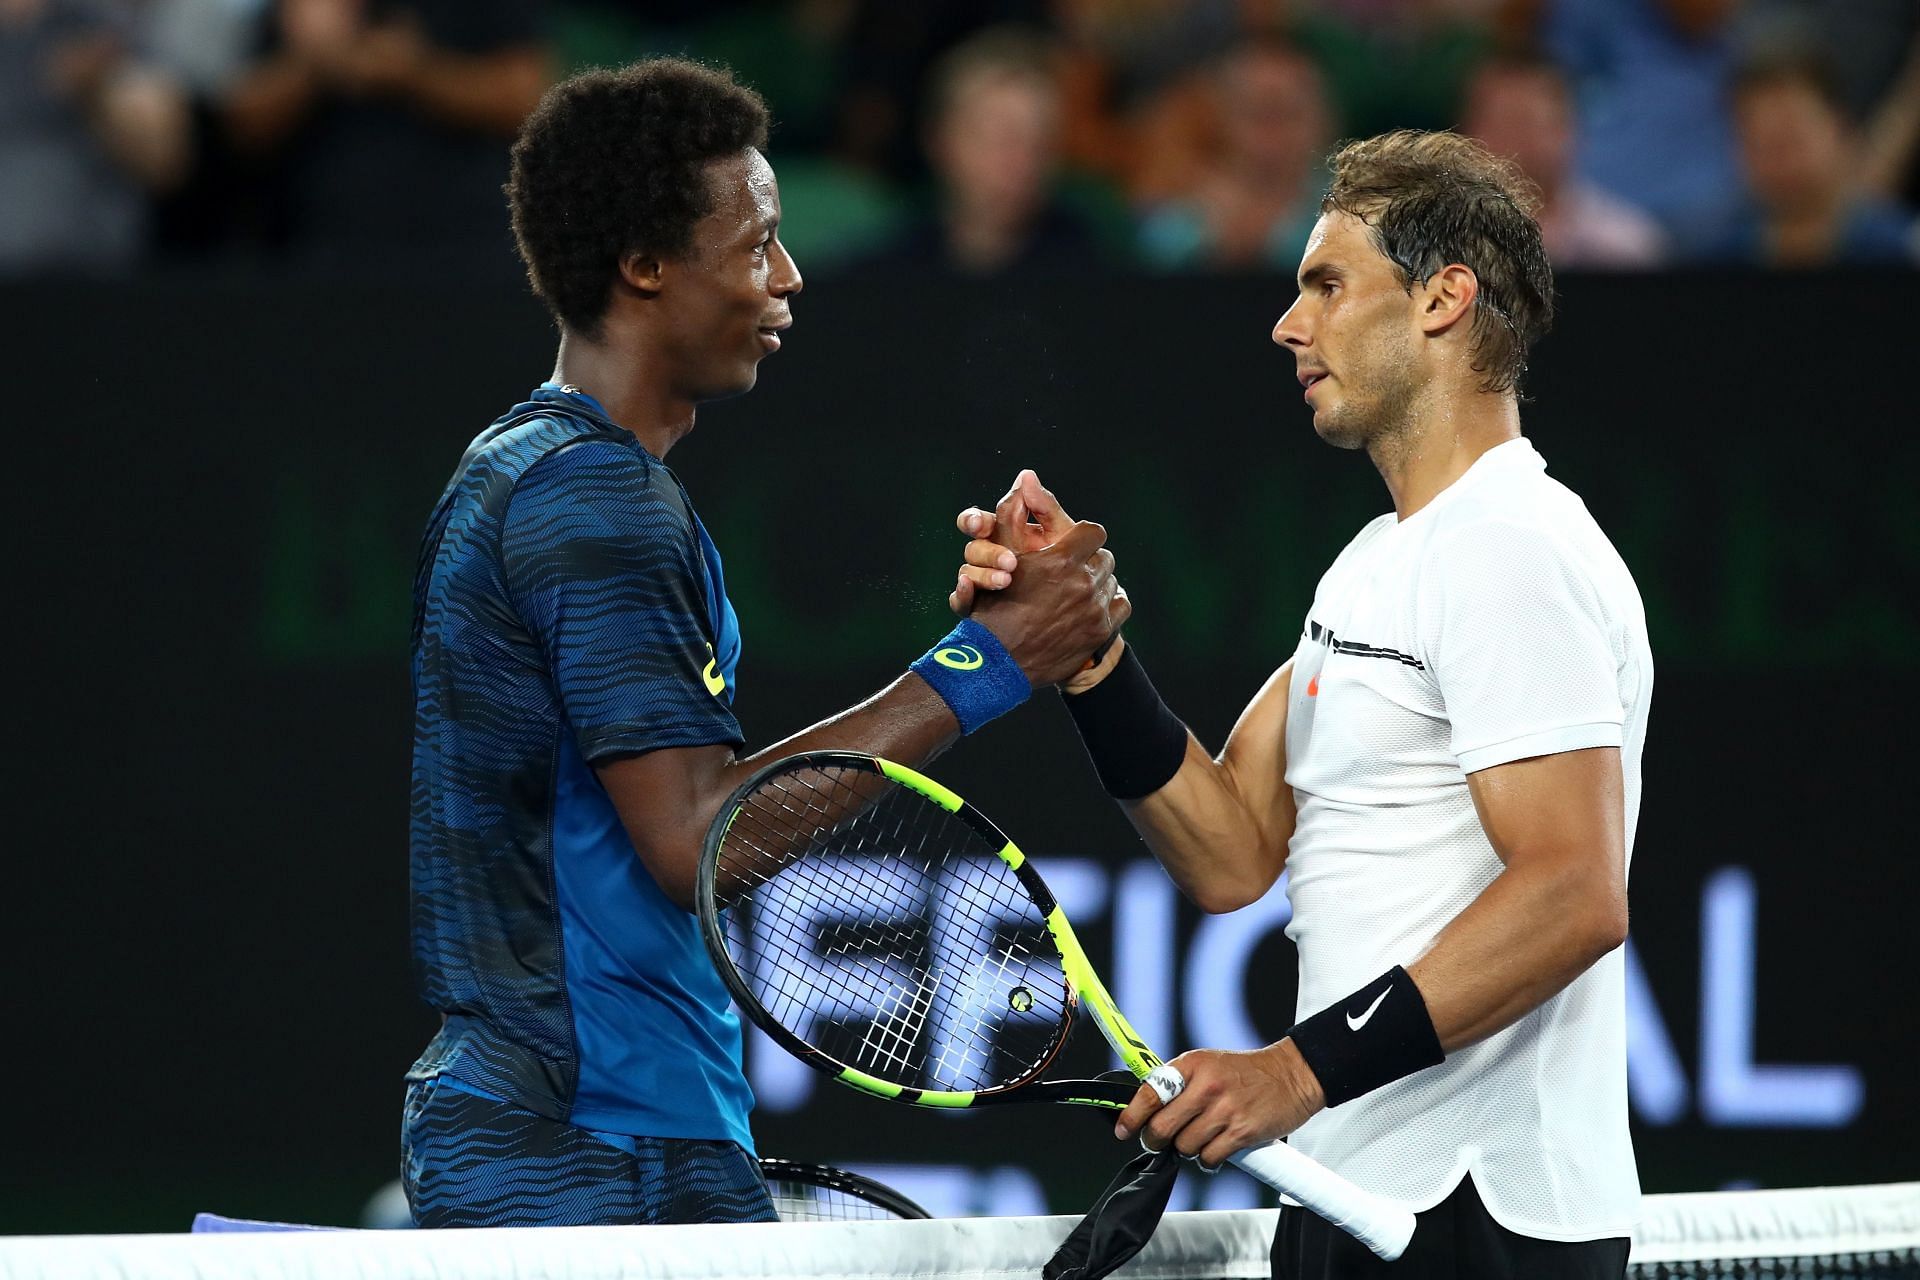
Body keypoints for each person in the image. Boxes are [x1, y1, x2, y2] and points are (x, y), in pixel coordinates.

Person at [404, 58, 1126, 1229]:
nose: (787, 278)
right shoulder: (596, 502)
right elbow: (697, 839)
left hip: (583, 1125)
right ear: (643, 264)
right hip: (597, 1145)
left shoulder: (521, 468)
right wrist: (994, 661)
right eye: (755, 247)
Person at [954, 130, 1648, 1278]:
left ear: (1443, 299)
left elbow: (1576, 891)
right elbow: (1231, 846)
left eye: (1326, 284)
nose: (1289, 323)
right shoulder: (1379, 559)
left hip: (1480, 1215)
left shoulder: (1513, 547)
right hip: (1353, 1187)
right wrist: (1085, 657)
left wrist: (1294, 1068)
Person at [863, 26, 1104, 276]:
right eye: (998, 139)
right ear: (940, 142)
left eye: (1039, 143)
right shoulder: (887, 275)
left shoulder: (1090, 272)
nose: (1020, 162)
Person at [1705, 48, 1917, 266]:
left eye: (1793, 137)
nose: (1781, 158)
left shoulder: (1903, 250)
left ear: (1840, 129)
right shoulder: (1718, 263)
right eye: (1760, 143)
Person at [1136, 38, 1331, 272]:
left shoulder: (1350, 216)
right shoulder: (1179, 222)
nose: (1273, 132)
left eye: (1289, 113)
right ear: (1222, 120)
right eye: (1258, 113)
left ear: (1320, 119)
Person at [1461, 52, 1666, 269]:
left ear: (1568, 130)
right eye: (1497, 123)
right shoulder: (1442, 243)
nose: (1512, 141)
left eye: (1525, 122)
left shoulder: (1626, 248)